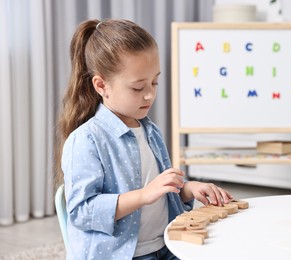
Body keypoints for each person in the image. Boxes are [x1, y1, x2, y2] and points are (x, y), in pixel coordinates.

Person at [55, 19, 233, 260]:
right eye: (138, 87)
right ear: (101, 86)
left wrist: (190, 189)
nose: (150, 94)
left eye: (154, 82)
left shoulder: (150, 130)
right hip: (121, 254)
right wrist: (143, 194)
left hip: (165, 245)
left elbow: (161, 191)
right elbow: (82, 212)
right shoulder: (86, 140)